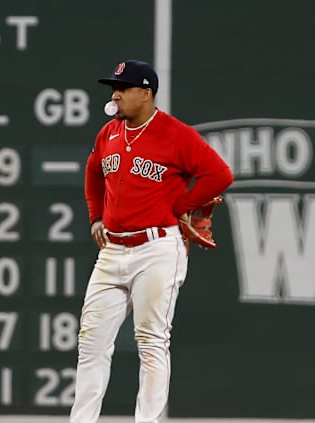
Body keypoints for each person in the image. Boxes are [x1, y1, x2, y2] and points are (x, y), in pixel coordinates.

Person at [69, 60, 234, 423]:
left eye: (123, 88)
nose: (115, 95)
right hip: (112, 251)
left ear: (146, 93)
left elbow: (220, 174)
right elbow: (94, 171)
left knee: (151, 341)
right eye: (115, 87)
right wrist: (96, 215)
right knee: (90, 343)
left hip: (157, 248)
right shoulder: (109, 133)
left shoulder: (176, 134)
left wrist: (183, 205)